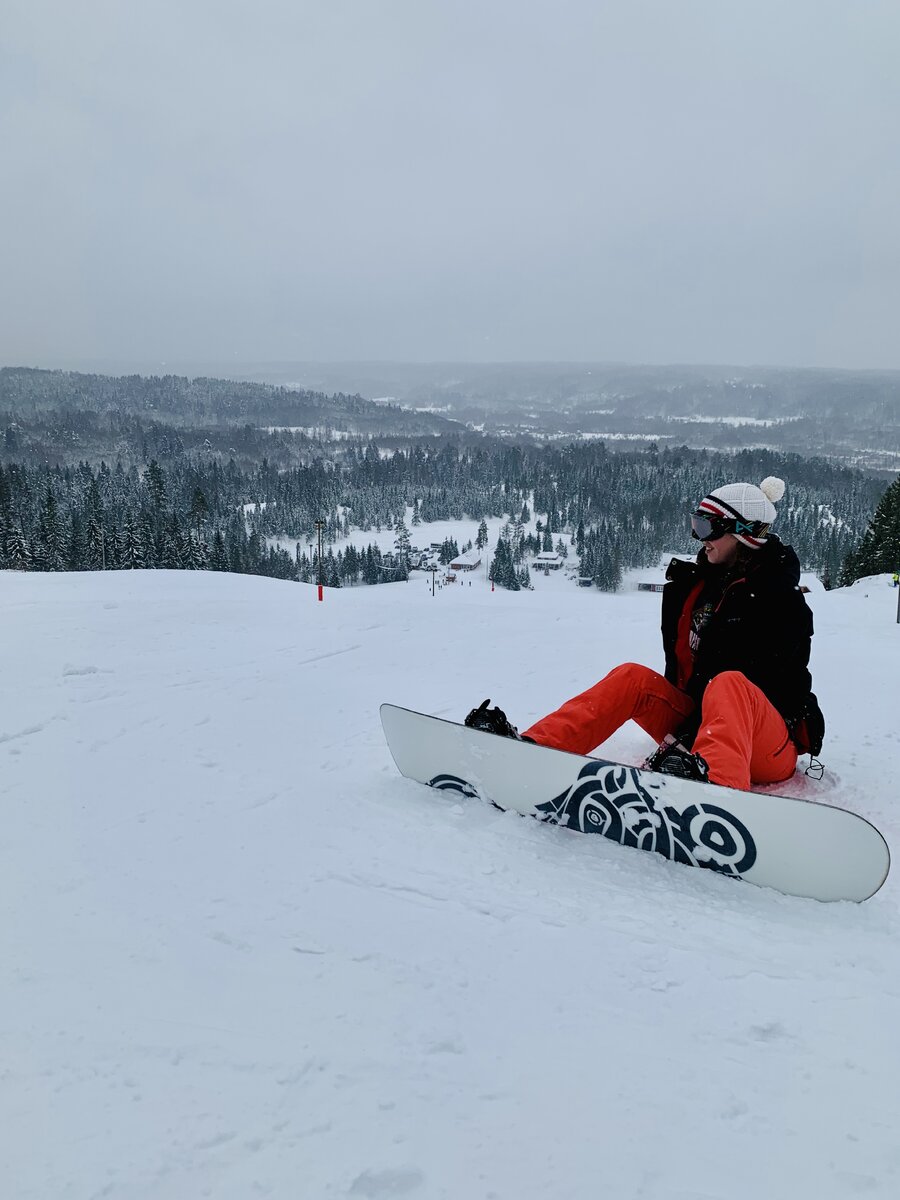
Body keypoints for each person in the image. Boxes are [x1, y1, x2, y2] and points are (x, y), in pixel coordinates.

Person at [466, 477, 824, 792]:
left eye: (706, 528)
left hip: (768, 745)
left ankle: (716, 793)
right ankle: (533, 747)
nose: (699, 540)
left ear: (742, 533)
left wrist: (687, 743)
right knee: (632, 677)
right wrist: (687, 739)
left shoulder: (781, 604)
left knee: (729, 684)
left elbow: (776, 692)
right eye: (695, 526)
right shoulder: (700, 586)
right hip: (701, 731)